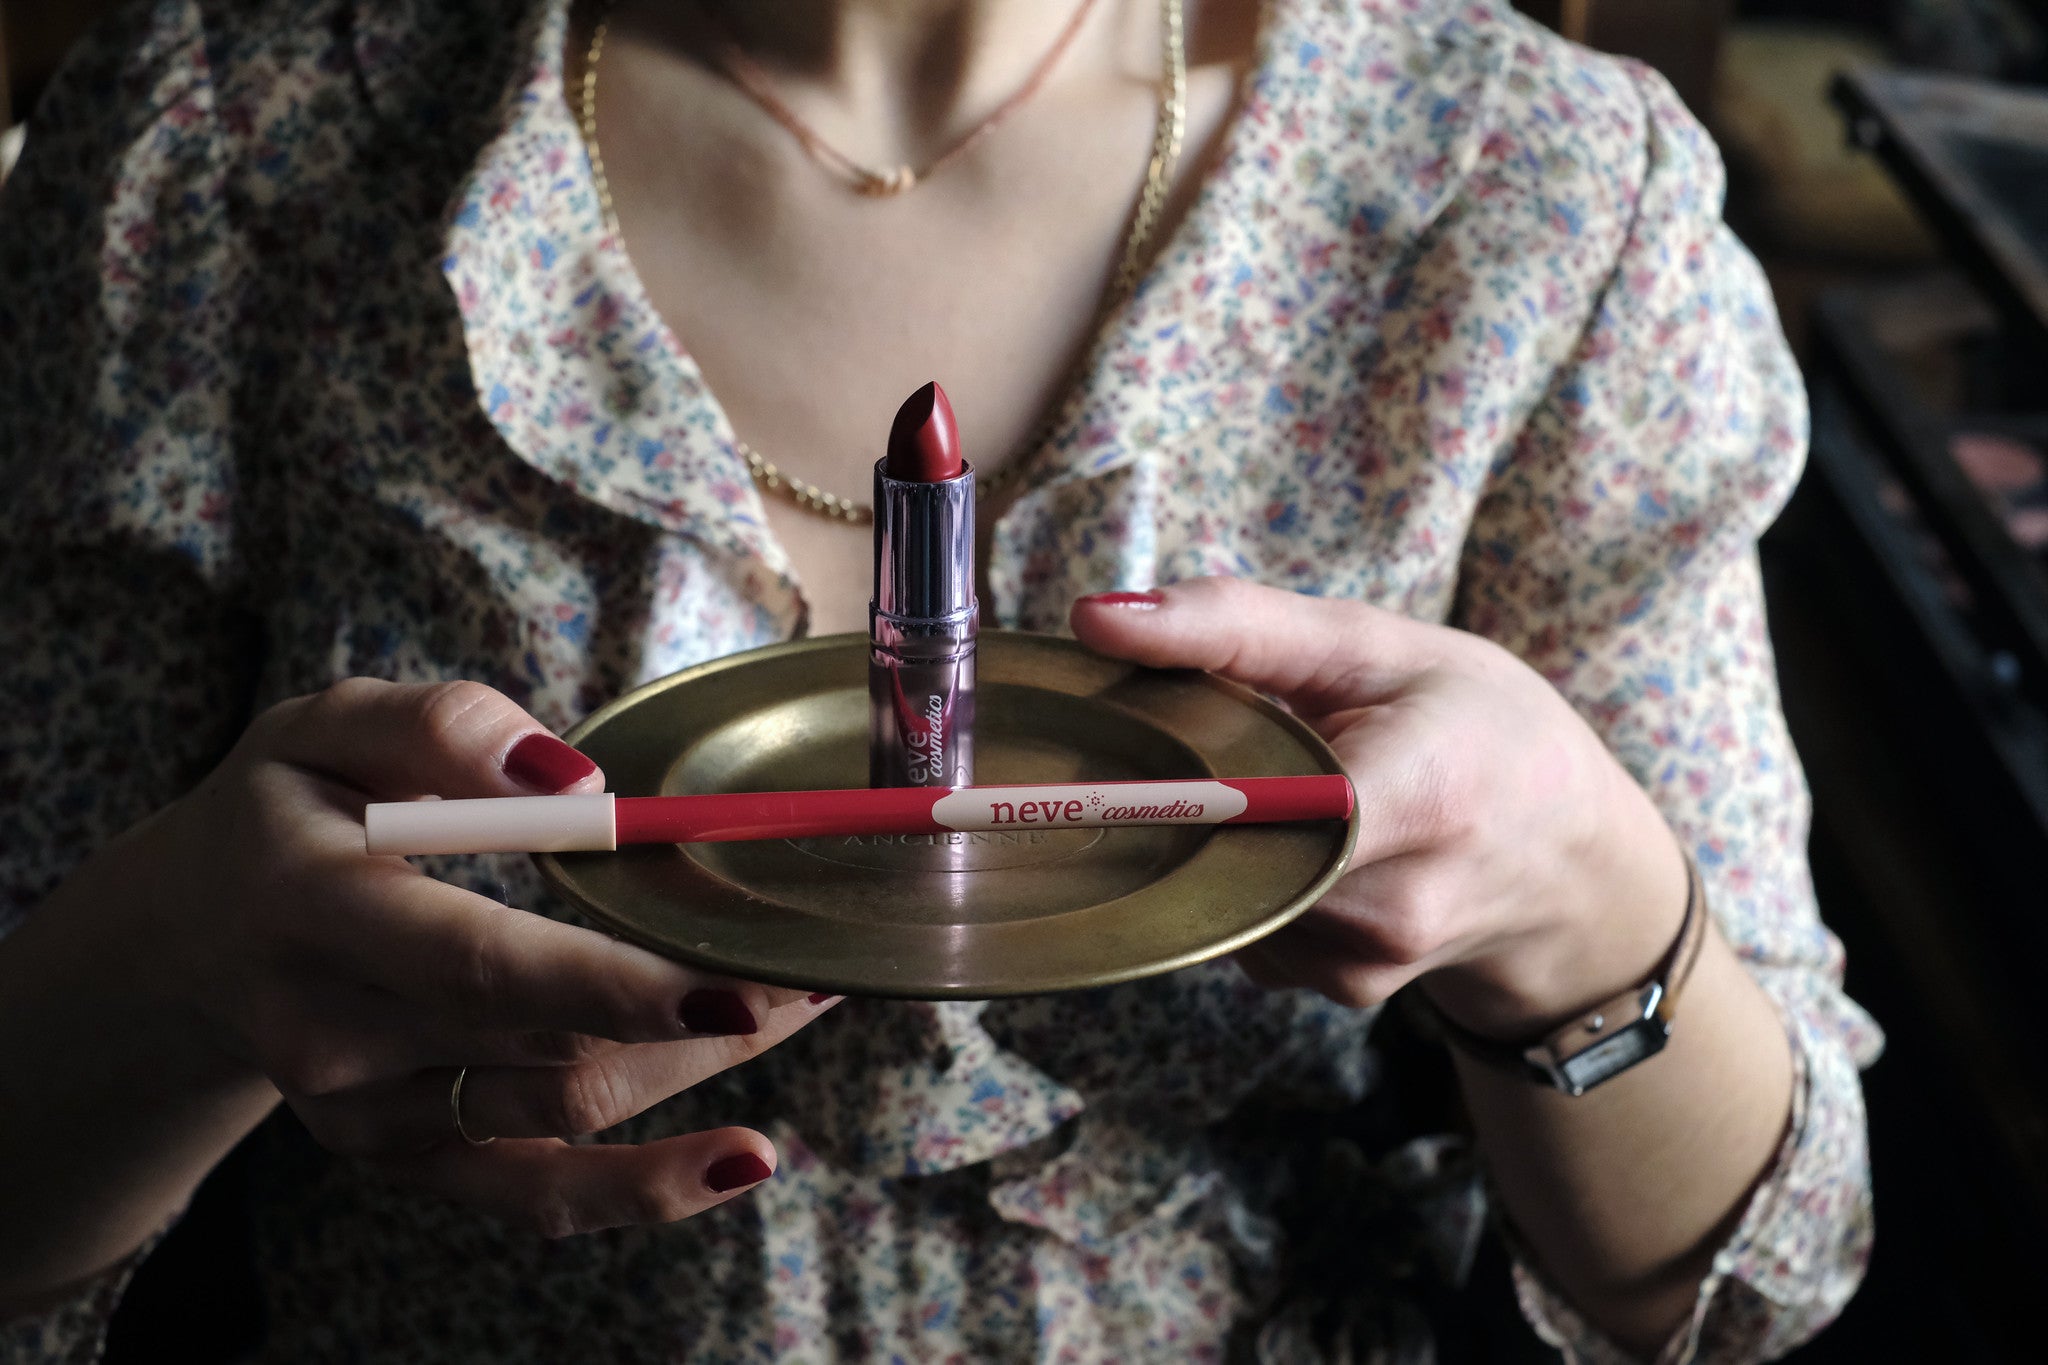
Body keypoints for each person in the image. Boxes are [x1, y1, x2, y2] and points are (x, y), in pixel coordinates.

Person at [0, 0, 1881, 1360]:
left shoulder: (1541, 191)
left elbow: (1753, 1278)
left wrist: (1578, 895)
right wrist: (176, 965)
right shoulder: (225, 136)